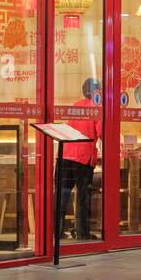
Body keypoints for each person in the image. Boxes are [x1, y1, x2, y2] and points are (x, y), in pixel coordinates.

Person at [58, 78, 102, 241]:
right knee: (83, 196)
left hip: (65, 155)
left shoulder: (76, 105)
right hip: (82, 158)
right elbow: (102, 131)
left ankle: (58, 231)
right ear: (98, 91)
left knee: (62, 196)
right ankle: (83, 233)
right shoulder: (97, 107)